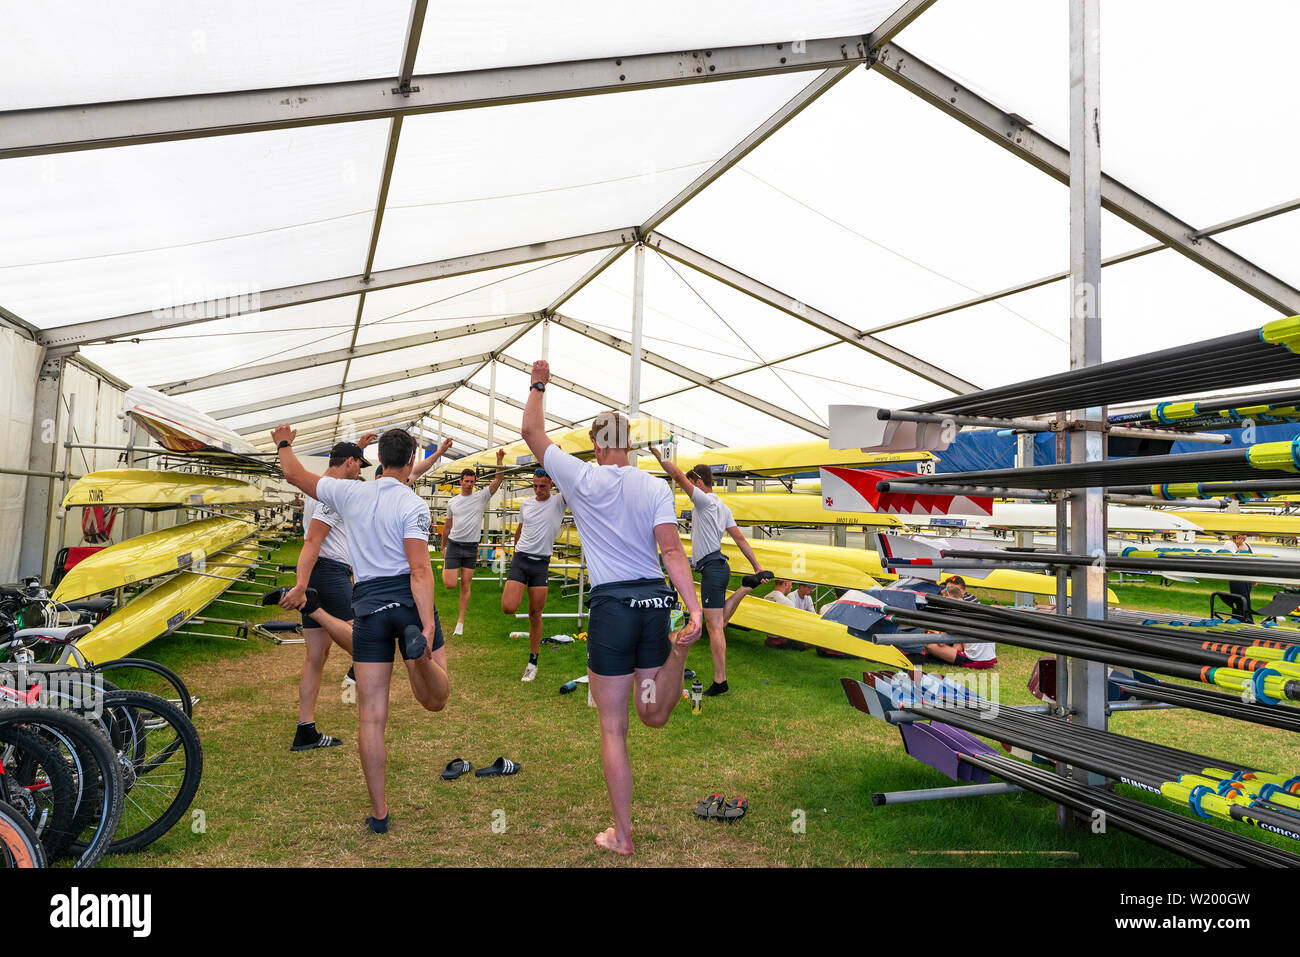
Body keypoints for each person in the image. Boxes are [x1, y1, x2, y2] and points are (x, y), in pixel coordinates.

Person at [521, 361, 702, 857]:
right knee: (652, 715)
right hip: (652, 603)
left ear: (598, 445)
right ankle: (678, 657)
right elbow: (671, 552)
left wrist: (539, 382)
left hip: (613, 608)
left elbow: (531, 432)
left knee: (613, 728)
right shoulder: (654, 486)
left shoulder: (580, 477)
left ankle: (622, 836)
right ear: (630, 443)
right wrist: (694, 608)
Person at [271, 425, 450, 834]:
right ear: (409, 462)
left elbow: (295, 476)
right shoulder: (414, 504)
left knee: (371, 718)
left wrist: (284, 443)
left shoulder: (351, 491)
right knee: (435, 699)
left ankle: (380, 813)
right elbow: (420, 569)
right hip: (406, 600)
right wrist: (423, 622)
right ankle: (416, 655)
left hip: (367, 605)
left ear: (381, 460)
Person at [277, 433, 376, 751]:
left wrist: (358, 446)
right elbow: (312, 542)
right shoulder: (334, 494)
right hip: (329, 574)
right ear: (349, 463)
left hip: (323, 571)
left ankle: (305, 729)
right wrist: (302, 588)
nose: (360, 472)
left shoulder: (320, 486)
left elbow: (295, 473)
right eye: (359, 464)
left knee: (316, 657)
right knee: (367, 641)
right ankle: (365, 703)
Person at [649, 447, 764, 697]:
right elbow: (741, 539)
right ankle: (745, 587)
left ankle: (720, 681)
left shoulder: (704, 499)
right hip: (718, 567)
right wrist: (757, 567)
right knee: (719, 622)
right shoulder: (723, 506)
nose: (688, 488)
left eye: (691, 484)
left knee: (715, 627)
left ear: (699, 482)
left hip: (713, 568)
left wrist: (661, 458)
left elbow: (678, 477)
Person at [502, 469, 566, 682]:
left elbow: (569, 479)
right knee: (508, 607)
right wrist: (514, 552)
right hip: (521, 559)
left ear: (551, 485)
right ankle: (518, 590)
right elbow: (520, 528)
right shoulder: (526, 504)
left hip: (541, 564)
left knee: (535, 614)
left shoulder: (558, 501)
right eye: (535, 485)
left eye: (543, 486)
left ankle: (532, 663)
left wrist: (556, 459)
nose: (538, 490)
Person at [441, 449, 506, 636]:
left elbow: (498, 480)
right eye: (466, 481)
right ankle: (448, 566)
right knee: (450, 584)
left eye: (472, 481)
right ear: (460, 482)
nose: (469, 484)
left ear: (474, 482)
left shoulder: (481, 497)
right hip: (454, 544)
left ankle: (460, 622)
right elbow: (447, 526)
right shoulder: (453, 502)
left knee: (466, 585)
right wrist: (444, 547)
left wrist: (499, 459)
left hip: (471, 547)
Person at [922, 576, 998, 669]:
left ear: (948, 598)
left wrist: (930, 631)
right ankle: (950, 658)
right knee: (958, 639)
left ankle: (948, 660)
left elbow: (941, 642)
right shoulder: (972, 606)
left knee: (930, 645)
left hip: (976, 661)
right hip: (990, 658)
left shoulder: (956, 613)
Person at [1227, 533, 1256, 621]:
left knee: (1246, 600)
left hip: (1247, 577)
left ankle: (1244, 619)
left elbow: (1252, 561)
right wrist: (1239, 545)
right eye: (1242, 534)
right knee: (1240, 599)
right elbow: (1234, 560)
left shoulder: (1247, 544)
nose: (1245, 536)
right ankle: (1243, 619)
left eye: (1246, 534)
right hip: (1237, 577)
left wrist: (1254, 577)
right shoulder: (1229, 544)